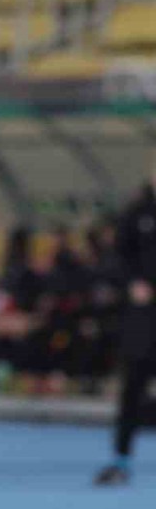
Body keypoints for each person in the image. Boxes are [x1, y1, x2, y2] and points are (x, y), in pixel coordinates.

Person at [95, 179, 156, 485]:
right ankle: (121, 460)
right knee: (133, 386)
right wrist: (132, 284)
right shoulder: (137, 214)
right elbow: (117, 259)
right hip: (144, 318)